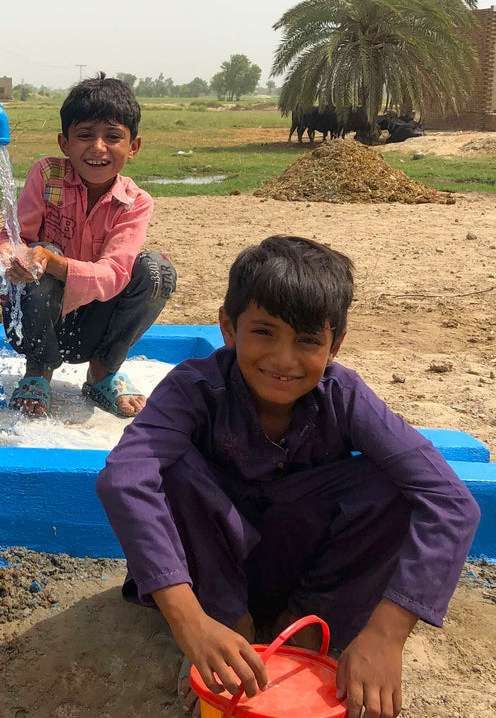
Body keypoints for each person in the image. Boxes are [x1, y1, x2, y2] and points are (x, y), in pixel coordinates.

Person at [96, 236, 480, 718]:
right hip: (208, 571)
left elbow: (452, 502)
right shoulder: (194, 388)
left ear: (334, 345)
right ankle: (228, 629)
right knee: (167, 466)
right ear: (228, 329)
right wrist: (188, 619)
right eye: (264, 332)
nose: (283, 359)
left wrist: (385, 635)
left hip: (298, 563)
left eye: (307, 341)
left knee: (394, 488)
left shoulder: (344, 396)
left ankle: (305, 630)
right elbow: (123, 480)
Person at [0, 73, 176, 417]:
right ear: (64, 142)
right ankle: (38, 371)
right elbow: (15, 237)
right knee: (42, 253)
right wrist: (3, 255)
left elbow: (116, 273)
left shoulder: (135, 202)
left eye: (113, 137)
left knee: (156, 270)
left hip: (92, 327)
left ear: (133, 147)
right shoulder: (46, 176)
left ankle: (103, 371)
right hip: (36, 323)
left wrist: (48, 260)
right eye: (85, 135)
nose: (98, 147)